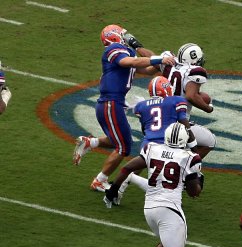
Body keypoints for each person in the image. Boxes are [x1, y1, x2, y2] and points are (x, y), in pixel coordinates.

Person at [72, 24, 175, 192]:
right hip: (110, 103)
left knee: (119, 139)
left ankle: (91, 142)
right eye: (122, 34)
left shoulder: (125, 51)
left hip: (114, 103)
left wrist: (162, 62)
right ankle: (99, 180)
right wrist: (159, 59)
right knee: (124, 146)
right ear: (114, 36)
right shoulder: (113, 49)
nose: (125, 37)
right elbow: (130, 61)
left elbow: (147, 70)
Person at [104, 122, 204, 247]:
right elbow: (193, 192)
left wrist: (113, 190)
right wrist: (199, 180)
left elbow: (127, 168)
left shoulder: (152, 148)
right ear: (184, 139)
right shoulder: (189, 157)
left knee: (173, 239)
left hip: (149, 209)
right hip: (170, 209)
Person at [115, 76, 199, 202]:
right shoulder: (176, 100)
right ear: (165, 89)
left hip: (147, 145)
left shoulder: (141, 106)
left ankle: (120, 187)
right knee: (165, 181)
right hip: (165, 145)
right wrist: (193, 145)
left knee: (140, 165)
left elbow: (145, 128)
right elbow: (183, 122)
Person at [159, 43, 216, 159]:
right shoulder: (195, 71)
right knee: (210, 141)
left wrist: (136, 46)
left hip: (159, 117)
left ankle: (130, 175)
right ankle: (186, 167)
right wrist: (208, 108)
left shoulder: (169, 62)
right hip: (178, 122)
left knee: (148, 153)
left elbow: (151, 57)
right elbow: (191, 96)